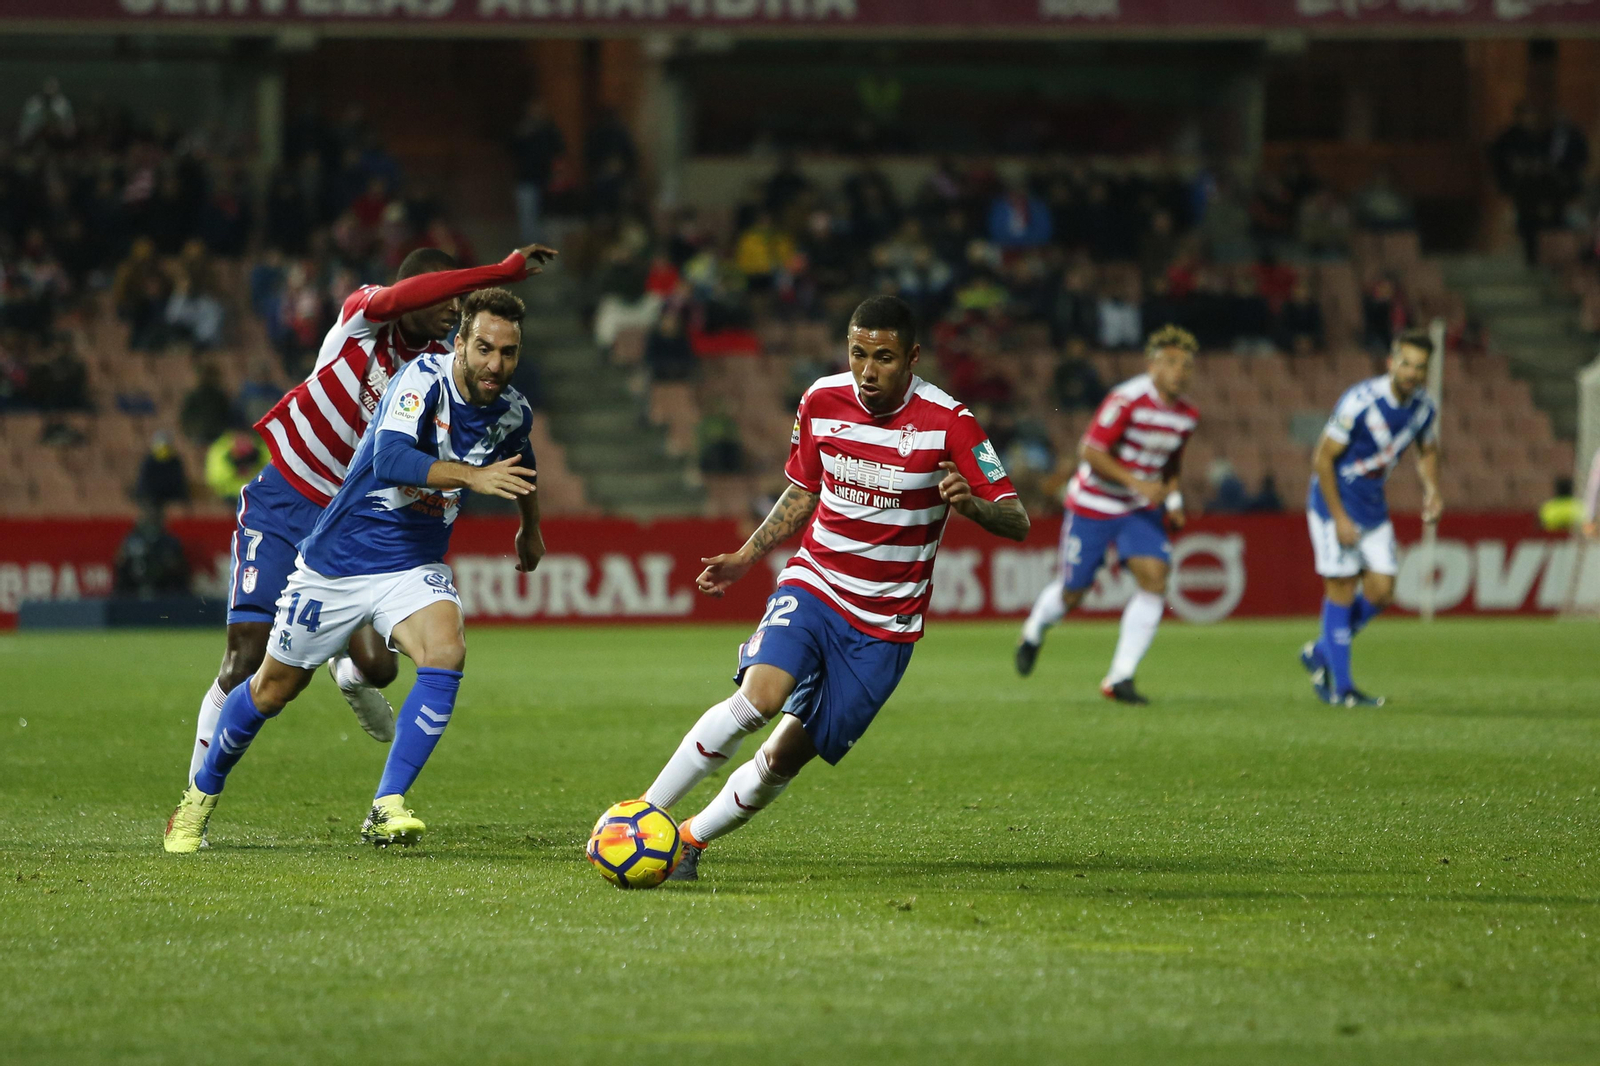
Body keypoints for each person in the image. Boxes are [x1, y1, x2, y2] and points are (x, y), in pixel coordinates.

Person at [635, 296, 1029, 881]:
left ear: (912, 358)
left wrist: (973, 507)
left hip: (885, 626)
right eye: (858, 353)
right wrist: (747, 556)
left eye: (884, 358)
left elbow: (1017, 520)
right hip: (815, 584)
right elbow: (803, 491)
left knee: (784, 757)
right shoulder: (821, 399)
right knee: (759, 699)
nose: (867, 370)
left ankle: (691, 839)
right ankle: (642, 816)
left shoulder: (951, 422)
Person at [164, 288, 545, 853]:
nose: (495, 364)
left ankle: (387, 805)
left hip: (411, 563)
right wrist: (471, 476)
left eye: (508, 353)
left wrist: (529, 527)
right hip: (339, 562)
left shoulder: (513, 410)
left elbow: (522, 459)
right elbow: (390, 460)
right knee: (272, 688)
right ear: (460, 343)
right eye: (484, 348)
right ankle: (200, 794)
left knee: (446, 650)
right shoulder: (421, 379)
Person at [1015, 325, 1200, 704]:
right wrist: (1137, 483)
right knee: (1074, 592)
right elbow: (1090, 451)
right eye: (1170, 362)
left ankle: (1120, 677)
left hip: (1137, 510)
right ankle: (1034, 630)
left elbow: (1171, 464)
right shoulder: (1127, 399)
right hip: (1094, 504)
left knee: (1155, 578)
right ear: (1152, 365)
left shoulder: (1186, 416)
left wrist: (1174, 502)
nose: (1178, 371)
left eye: (1185, 364)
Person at [1299, 329, 1442, 708]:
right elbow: (1322, 459)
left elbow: (1428, 448)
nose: (1411, 373)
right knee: (1342, 586)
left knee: (1382, 592)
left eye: (1420, 367)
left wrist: (1432, 489)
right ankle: (1342, 689)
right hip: (1333, 504)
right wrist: (1339, 518)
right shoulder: (1359, 401)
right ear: (1391, 362)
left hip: (1372, 506)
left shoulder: (1424, 408)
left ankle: (1320, 652)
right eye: (1406, 363)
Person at [509, 98, 565, 244]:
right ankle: (530, 245)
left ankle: (545, 243)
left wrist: (557, 173)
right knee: (527, 215)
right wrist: (521, 135)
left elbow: (559, 151)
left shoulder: (549, 131)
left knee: (546, 215)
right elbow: (512, 149)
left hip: (545, 179)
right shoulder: (523, 130)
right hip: (526, 178)